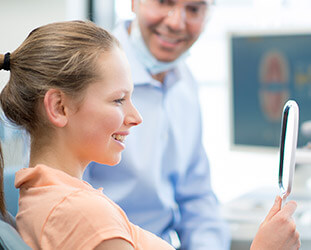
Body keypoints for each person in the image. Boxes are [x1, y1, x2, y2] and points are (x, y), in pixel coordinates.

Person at [0, 20, 300, 250]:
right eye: (119, 100)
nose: (136, 117)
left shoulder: (48, 198)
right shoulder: (83, 216)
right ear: (59, 107)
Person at [82, 0, 227, 249]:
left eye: (193, 9)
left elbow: (197, 197)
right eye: (164, 2)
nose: (175, 22)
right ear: (134, 3)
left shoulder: (185, 83)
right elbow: (66, 204)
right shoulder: (84, 76)